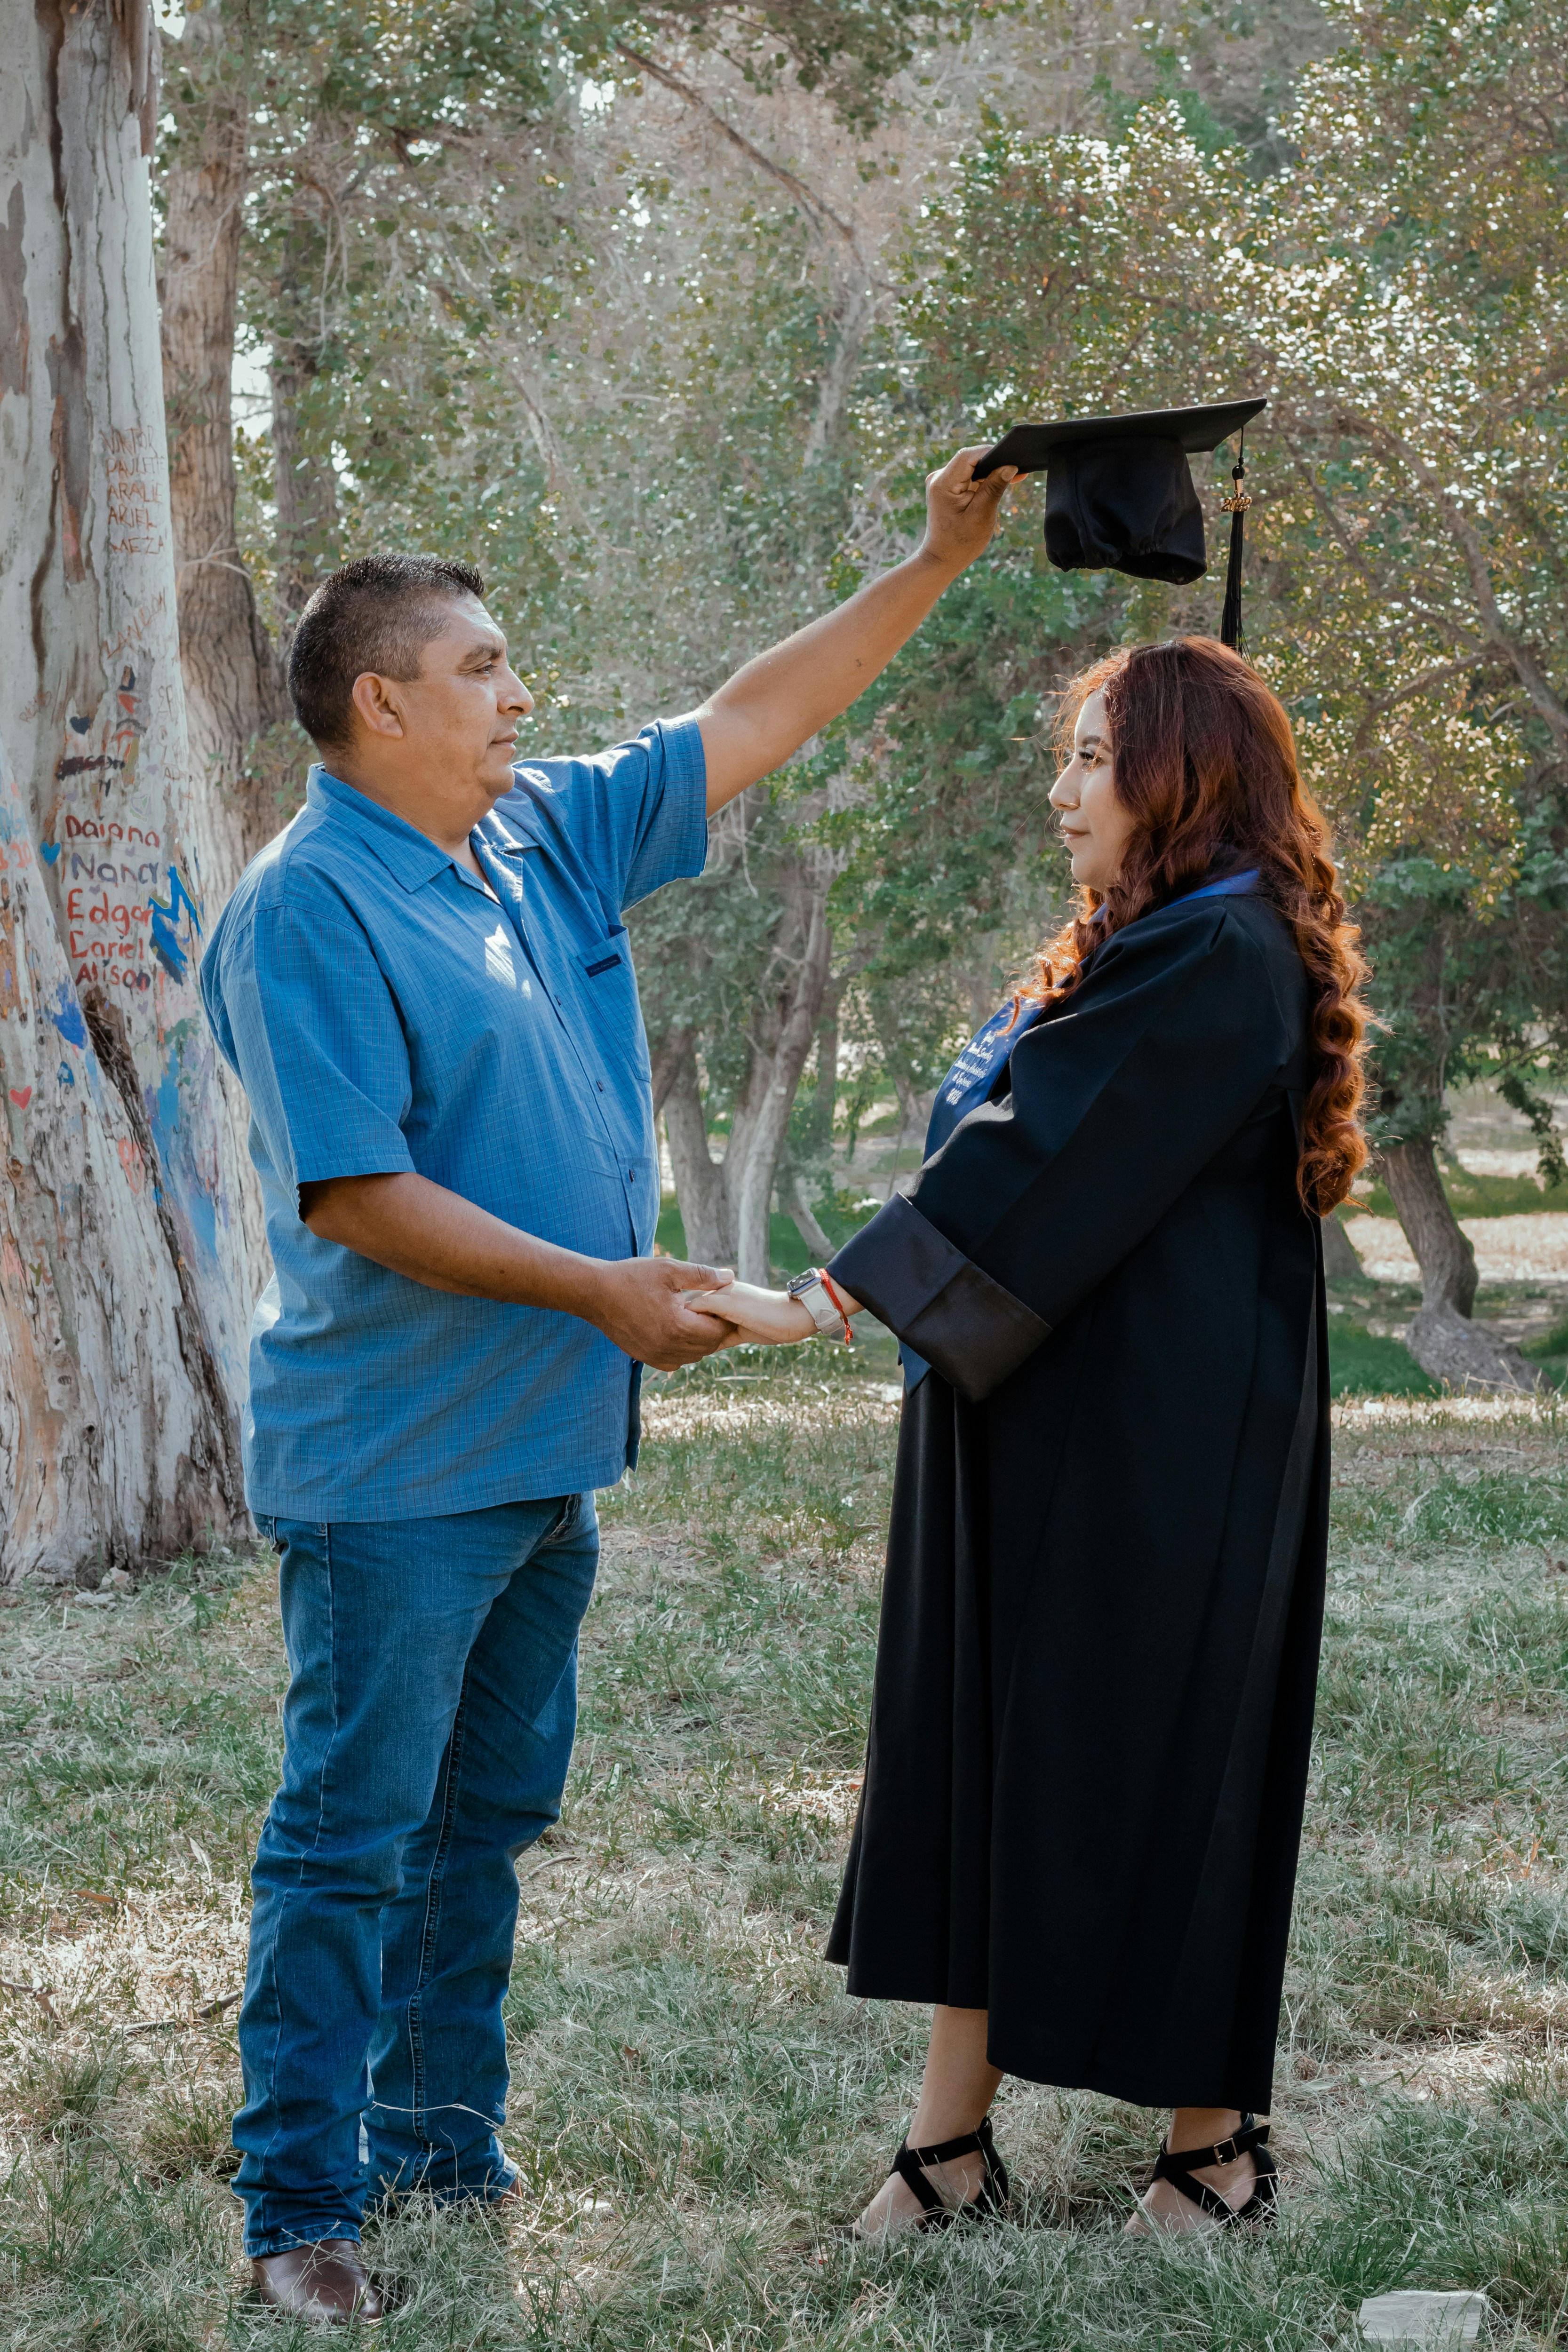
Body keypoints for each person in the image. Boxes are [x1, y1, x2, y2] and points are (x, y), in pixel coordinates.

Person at [197, 446, 1018, 2323]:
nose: (518, 695)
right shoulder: (309, 902)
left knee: (481, 1822)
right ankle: (297, 2209)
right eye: (482, 667)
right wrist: (607, 1287)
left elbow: (753, 714)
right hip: (394, 1469)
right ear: (379, 699)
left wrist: (936, 555)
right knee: (347, 1838)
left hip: (545, 1448)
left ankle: (443, 2136)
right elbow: (362, 1188)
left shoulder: (539, 832)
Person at [689, 635, 1369, 2239]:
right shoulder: (1141, 937)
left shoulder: (1224, 948)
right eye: (1063, 755)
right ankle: (952, 2149)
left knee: (1168, 1759)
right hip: (1041, 1411)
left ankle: (1217, 2147)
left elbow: (1044, 1151)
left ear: (1184, 774)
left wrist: (830, 1299)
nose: (1061, 788)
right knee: (987, 1756)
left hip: (1167, 1445)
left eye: (1091, 756)